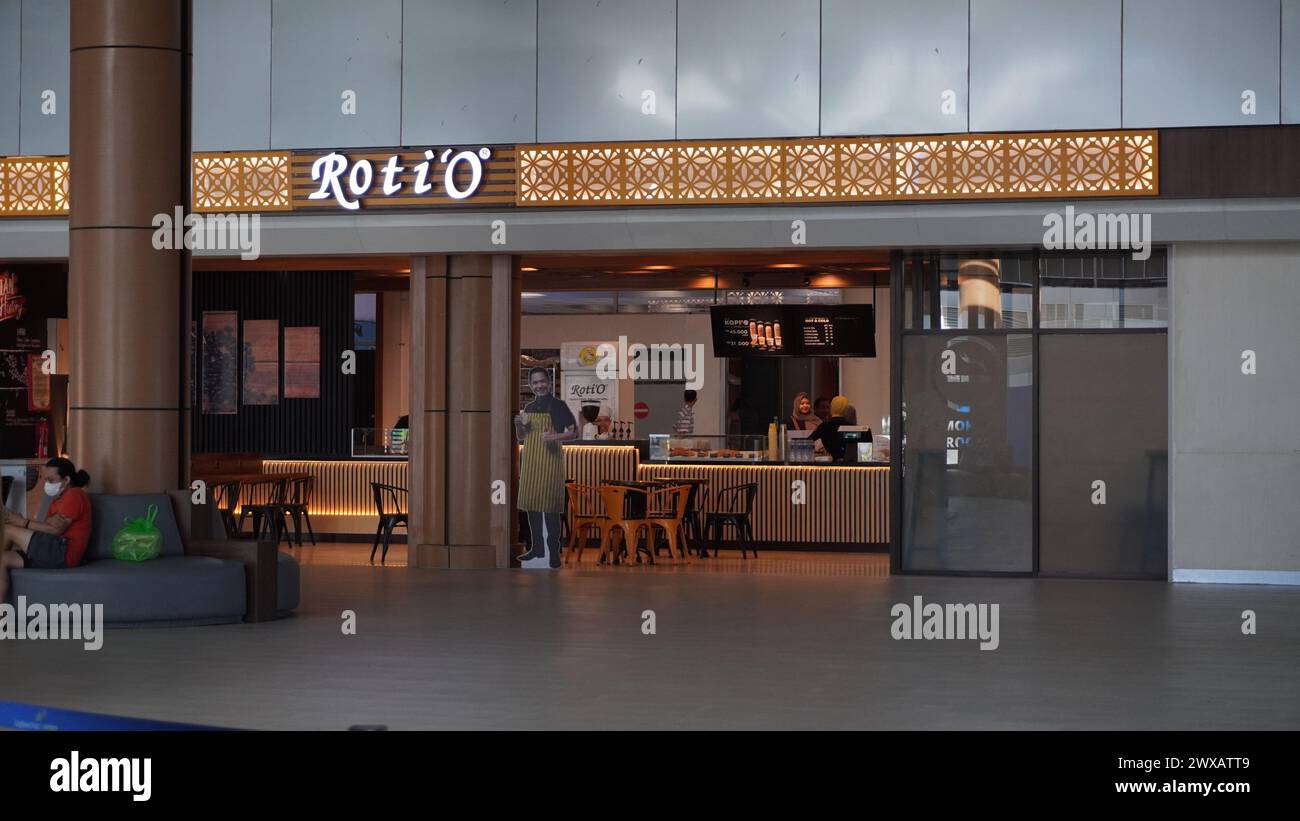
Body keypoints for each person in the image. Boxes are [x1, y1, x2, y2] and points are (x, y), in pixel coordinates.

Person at [1, 458, 93, 603]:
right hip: (53, 549)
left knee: (8, 529)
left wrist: (23, 523)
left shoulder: (75, 494)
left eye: (51, 480)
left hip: (63, 553)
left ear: (67, 479)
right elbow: (47, 529)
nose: (47, 484)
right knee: (2, 559)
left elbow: (55, 529)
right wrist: (24, 524)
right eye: (45, 480)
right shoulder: (57, 500)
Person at [514, 367, 578, 569]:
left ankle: (553, 552)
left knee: (550, 507)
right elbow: (522, 437)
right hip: (532, 461)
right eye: (535, 383)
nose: (539, 385)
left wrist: (554, 436)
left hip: (551, 462)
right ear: (531, 386)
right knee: (532, 505)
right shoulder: (530, 408)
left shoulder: (558, 406)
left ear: (549, 383)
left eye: (542, 381)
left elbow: (573, 432)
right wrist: (518, 425)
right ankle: (537, 549)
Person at [807, 396, 852, 461]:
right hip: (850, 465)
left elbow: (808, 441)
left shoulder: (824, 426)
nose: (826, 410)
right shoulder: (852, 427)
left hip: (830, 465)